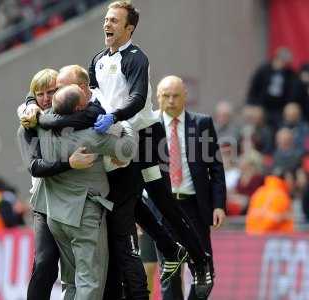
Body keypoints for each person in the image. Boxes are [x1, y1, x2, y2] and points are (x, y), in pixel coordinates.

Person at [89, 2, 217, 298]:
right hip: (120, 137)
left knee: (162, 202)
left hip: (146, 136)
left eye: (114, 21)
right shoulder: (96, 59)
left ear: (129, 28)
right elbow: (96, 97)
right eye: (106, 19)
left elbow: (136, 99)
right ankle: (172, 249)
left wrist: (113, 116)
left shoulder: (137, 58)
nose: (107, 25)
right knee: (132, 200)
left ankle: (200, 260)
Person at [33, 84, 137, 299]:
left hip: (55, 217)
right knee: (90, 281)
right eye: (86, 102)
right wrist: (125, 124)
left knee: (70, 282)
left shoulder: (42, 127)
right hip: (83, 215)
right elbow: (128, 149)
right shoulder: (90, 136)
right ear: (80, 108)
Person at [17, 68, 102, 300]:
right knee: (45, 263)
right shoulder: (28, 126)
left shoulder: (74, 116)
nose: (45, 98)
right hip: (44, 204)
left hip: (74, 203)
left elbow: (92, 111)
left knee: (77, 270)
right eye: (40, 94)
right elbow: (35, 167)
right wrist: (70, 163)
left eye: (51, 92)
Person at [153, 76, 227, 300]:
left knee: (205, 273)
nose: (171, 101)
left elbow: (215, 168)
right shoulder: (148, 125)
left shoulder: (202, 124)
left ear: (185, 95)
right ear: (158, 97)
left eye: (176, 95)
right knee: (170, 275)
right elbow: (139, 172)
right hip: (162, 209)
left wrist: (219, 205)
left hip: (194, 206)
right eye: (166, 96)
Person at [246, 47, 296, 129]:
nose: (283, 64)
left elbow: (292, 92)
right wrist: (254, 104)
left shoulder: (289, 74)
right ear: (276, 59)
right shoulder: (263, 70)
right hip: (262, 104)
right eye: (282, 61)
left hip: (279, 107)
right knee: (256, 116)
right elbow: (253, 89)